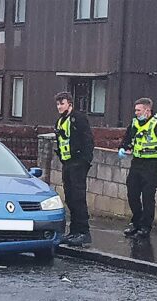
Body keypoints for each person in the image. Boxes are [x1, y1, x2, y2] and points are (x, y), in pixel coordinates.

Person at [118, 98, 157, 239]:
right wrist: (123, 148)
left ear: (147, 110)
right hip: (136, 163)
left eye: (139, 110)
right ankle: (136, 223)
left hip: (151, 165)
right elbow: (127, 139)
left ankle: (145, 227)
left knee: (148, 197)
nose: (136, 113)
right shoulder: (134, 123)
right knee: (132, 194)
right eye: (135, 110)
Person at [54, 92, 95, 247]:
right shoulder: (59, 121)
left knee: (78, 198)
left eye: (62, 103)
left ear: (70, 104)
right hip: (67, 163)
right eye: (58, 104)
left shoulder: (78, 118)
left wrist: (85, 161)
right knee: (70, 198)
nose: (59, 107)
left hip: (78, 163)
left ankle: (84, 233)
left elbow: (88, 140)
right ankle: (74, 231)